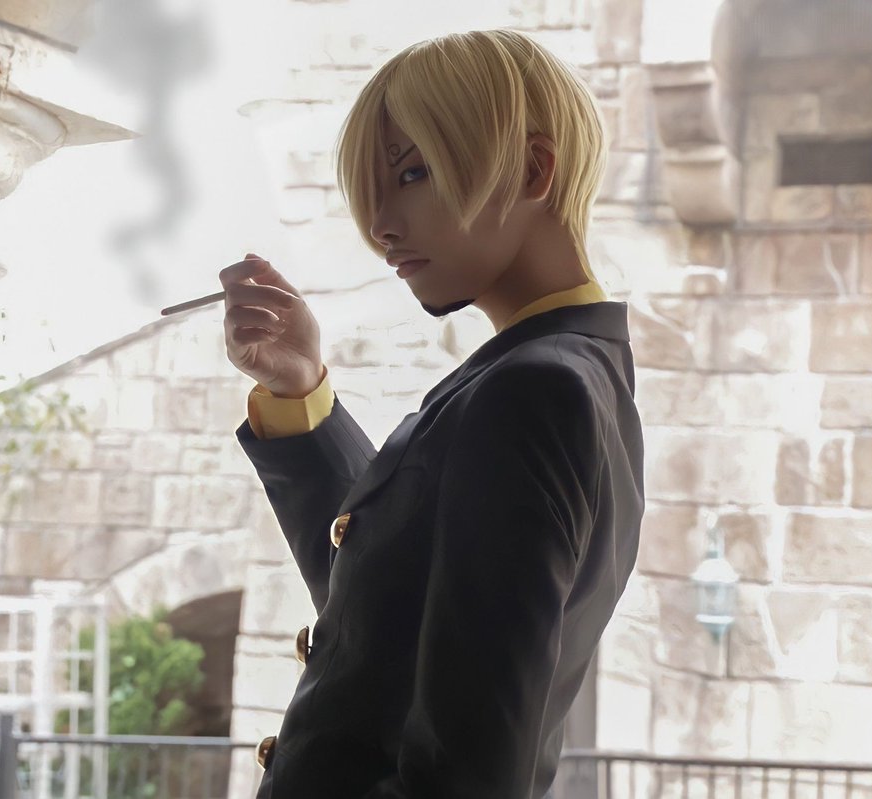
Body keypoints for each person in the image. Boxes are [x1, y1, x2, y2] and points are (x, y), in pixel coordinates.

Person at [218, 28, 645, 799]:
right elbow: (379, 615)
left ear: (535, 170)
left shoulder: (531, 391)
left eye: (412, 172)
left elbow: (466, 777)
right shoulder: (562, 374)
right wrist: (300, 390)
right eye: (372, 189)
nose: (380, 225)